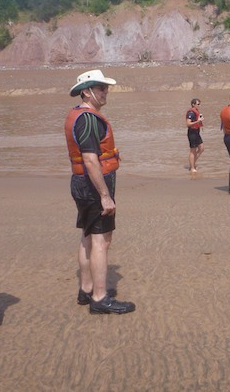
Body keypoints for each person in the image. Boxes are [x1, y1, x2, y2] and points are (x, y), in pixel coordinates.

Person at [66, 69, 135, 314]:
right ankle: (99, 297)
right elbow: (91, 160)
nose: (106, 92)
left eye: (106, 88)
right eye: (101, 88)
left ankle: (86, 290)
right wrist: (105, 195)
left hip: (82, 184)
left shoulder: (79, 115)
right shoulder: (88, 119)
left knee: (87, 235)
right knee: (101, 240)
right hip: (93, 186)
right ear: (87, 92)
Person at [185, 98, 205, 172]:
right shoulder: (191, 113)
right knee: (192, 150)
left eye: (200, 104)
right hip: (192, 133)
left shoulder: (196, 112)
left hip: (197, 132)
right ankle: (192, 167)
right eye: (198, 104)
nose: (199, 105)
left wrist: (200, 120)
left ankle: (192, 164)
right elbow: (188, 123)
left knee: (201, 148)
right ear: (193, 104)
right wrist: (198, 121)